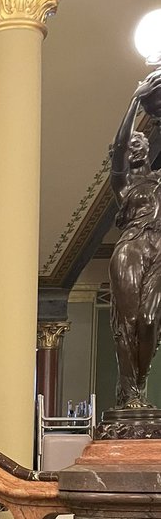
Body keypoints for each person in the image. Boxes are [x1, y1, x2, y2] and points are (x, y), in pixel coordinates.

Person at [108, 68, 161, 410]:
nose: (135, 145)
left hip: (159, 250)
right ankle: (130, 393)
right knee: (127, 322)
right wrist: (135, 100)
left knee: (150, 320)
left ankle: (138, 384)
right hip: (131, 248)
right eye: (131, 144)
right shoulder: (124, 183)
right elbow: (118, 145)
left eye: (140, 140)